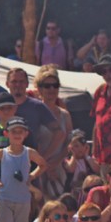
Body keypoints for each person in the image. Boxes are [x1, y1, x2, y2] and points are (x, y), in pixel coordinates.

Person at [0, 67, 65, 172]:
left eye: (21, 82)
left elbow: (59, 133)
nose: (18, 85)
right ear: (7, 84)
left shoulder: (37, 106)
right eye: (14, 81)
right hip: (1, 166)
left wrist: (43, 158)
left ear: (27, 84)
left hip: (29, 165)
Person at [34, 65, 74, 199]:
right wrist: (43, 165)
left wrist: (53, 164)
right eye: (47, 86)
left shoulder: (65, 115)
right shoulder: (35, 112)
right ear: (39, 88)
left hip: (58, 168)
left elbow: (69, 144)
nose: (51, 89)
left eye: (55, 85)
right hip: (37, 168)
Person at [90, 55, 111, 172]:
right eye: (103, 71)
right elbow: (97, 122)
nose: (108, 74)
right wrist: (94, 152)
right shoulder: (99, 91)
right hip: (103, 158)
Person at [62, 130, 100, 201]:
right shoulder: (67, 160)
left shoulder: (89, 159)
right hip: (73, 192)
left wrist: (87, 156)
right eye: (76, 146)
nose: (80, 149)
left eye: (82, 145)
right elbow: (71, 169)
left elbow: (97, 169)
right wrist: (73, 155)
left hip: (87, 192)